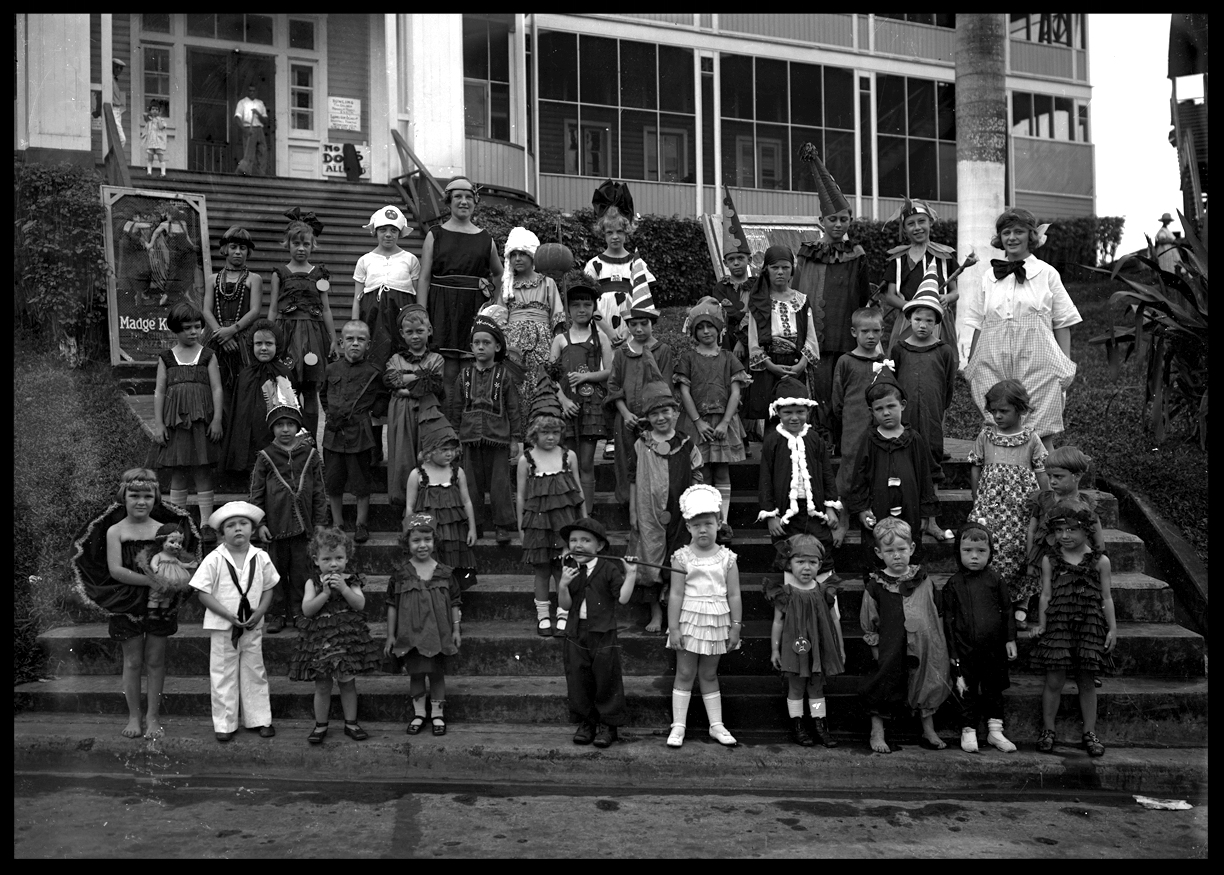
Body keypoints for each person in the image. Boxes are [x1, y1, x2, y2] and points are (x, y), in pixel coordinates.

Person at [72, 468, 199, 739]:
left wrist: (170, 581)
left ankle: (153, 716)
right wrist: (152, 581)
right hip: (126, 599)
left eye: (147, 496)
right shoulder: (115, 531)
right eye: (134, 495)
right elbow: (116, 570)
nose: (141, 502)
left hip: (160, 601)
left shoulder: (163, 531)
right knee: (132, 661)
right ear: (123, 497)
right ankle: (133, 715)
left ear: (156, 498)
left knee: (155, 659)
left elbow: (176, 561)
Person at [962, 207, 1081, 453]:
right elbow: (978, 322)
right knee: (998, 420)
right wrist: (973, 363)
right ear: (1000, 238)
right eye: (1006, 232)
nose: (1012, 237)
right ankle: (1000, 484)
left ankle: (1044, 489)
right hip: (994, 355)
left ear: (1031, 236)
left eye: (1019, 232)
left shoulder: (1046, 273)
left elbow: (1062, 322)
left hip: (1037, 357)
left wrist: (1064, 364)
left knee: (1039, 429)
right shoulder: (988, 277)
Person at [189, 501, 279, 743]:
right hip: (222, 625)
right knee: (223, 672)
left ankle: (259, 718)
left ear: (252, 528)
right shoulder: (214, 559)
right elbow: (202, 592)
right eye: (231, 525)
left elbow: (269, 587)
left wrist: (260, 611)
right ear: (221, 532)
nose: (238, 529)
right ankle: (225, 723)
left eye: (243, 524)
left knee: (254, 670)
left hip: (251, 624)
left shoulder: (261, 557)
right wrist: (227, 614)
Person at [1031, 504, 1117, 757]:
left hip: (1090, 625)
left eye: (1071, 529)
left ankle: (1090, 732)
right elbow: (1045, 594)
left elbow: (1107, 597)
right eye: (1059, 530)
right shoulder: (1050, 559)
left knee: (1087, 681)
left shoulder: (1100, 562)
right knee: (1054, 679)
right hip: (1059, 624)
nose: (1064, 535)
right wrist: (1043, 624)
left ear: (1087, 531)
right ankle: (1048, 730)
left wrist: (1111, 628)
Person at [860, 517, 951, 753]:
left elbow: (934, 611)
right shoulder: (876, 585)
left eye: (901, 549)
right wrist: (876, 648)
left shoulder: (923, 580)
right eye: (889, 551)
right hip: (891, 643)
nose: (897, 555)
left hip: (921, 643)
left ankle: (928, 729)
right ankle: (877, 730)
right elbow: (870, 620)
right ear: (879, 553)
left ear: (911, 549)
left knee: (924, 680)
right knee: (884, 682)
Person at [793, 147, 872, 410]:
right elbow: (796, 291)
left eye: (843, 219)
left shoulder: (857, 254)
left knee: (847, 390)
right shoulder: (807, 253)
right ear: (821, 220)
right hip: (817, 335)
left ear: (850, 220)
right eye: (832, 219)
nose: (838, 225)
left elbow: (863, 297)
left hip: (847, 335)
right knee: (820, 387)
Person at [968, 379, 1050, 628]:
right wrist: (977, 498)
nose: (997, 416)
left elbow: (1041, 473)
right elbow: (976, 468)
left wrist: (1044, 503)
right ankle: (995, 600)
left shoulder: (1031, 439)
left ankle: (1022, 602)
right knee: (995, 550)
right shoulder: (986, 436)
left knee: (1019, 551)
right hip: (990, 508)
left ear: (1020, 409)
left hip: (1020, 510)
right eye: (993, 411)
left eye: (1004, 411)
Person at [666, 485, 743, 748]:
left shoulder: (727, 559)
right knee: (685, 672)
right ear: (687, 526)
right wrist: (673, 628)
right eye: (696, 524)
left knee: (709, 674)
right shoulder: (681, 557)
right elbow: (675, 594)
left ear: (719, 524)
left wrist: (735, 626)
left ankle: (716, 725)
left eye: (708, 523)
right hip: (689, 620)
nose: (703, 530)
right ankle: (678, 725)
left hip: (717, 621)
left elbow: (734, 595)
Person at [249, 377, 327, 634]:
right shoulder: (265, 457)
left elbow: (318, 491)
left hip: (304, 526)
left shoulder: (311, 455)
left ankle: (300, 611)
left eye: (290, 424)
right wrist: (259, 524)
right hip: (275, 525)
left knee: (302, 571)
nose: (285, 429)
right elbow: (257, 493)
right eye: (279, 425)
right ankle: (277, 613)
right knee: (276, 572)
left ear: (297, 426)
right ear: (272, 428)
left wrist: (319, 523)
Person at [844, 364, 943, 564]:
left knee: (907, 548)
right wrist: (862, 508)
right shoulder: (870, 439)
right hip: (878, 507)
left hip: (909, 507)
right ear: (871, 411)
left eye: (891, 406)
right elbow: (860, 475)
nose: (886, 413)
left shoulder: (914, 439)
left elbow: (924, 475)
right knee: (878, 549)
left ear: (903, 405)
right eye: (879, 409)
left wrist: (925, 512)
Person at [290, 526, 380, 744]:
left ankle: (351, 723)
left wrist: (345, 589)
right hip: (321, 641)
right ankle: (321, 725)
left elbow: (360, 604)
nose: (333, 564)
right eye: (327, 559)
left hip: (346, 642)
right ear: (316, 560)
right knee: (322, 685)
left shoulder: (352, 580)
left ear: (347, 558)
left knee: (347, 682)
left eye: (339, 558)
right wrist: (325, 594)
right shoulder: (313, 583)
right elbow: (307, 610)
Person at [585, 180, 655, 460]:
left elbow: (643, 301)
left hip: (630, 331)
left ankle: (627, 433)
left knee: (628, 379)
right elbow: (589, 304)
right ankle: (611, 435)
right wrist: (605, 331)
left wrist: (629, 332)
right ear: (602, 233)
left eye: (619, 231)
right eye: (609, 232)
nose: (615, 237)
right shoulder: (595, 265)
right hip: (604, 332)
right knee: (608, 381)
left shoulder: (636, 264)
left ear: (628, 231)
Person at [557, 517, 639, 748]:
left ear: (600, 546)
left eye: (586, 540)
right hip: (576, 633)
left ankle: (608, 725)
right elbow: (564, 606)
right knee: (578, 678)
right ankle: (586, 722)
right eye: (573, 540)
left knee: (606, 677)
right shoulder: (570, 568)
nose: (578, 545)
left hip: (603, 633)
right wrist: (563, 585)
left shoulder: (608, 568)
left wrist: (630, 574)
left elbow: (622, 598)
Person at [630, 381, 703, 634]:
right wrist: (633, 512)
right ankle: (656, 612)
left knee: (678, 557)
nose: (660, 418)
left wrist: (695, 505)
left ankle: (674, 608)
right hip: (648, 511)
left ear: (676, 412)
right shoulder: (641, 444)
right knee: (650, 558)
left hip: (681, 513)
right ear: (647, 417)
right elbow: (632, 479)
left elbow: (697, 475)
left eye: (665, 412)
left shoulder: (686, 443)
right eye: (654, 413)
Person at [417, 176, 503, 387]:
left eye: (468, 197)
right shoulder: (435, 235)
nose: (463, 201)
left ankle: (469, 417)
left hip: (472, 306)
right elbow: (424, 277)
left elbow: (499, 274)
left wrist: (496, 305)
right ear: (449, 201)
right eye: (458, 196)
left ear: (475, 201)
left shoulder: (485, 238)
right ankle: (448, 417)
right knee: (446, 369)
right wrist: (421, 314)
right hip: (441, 306)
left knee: (470, 367)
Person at [941, 521, 1019, 753]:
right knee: (966, 689)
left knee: (993, 688)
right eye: (967, 551)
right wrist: (953, 651)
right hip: (965, 650)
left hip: (993, 649)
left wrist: (1010, 638)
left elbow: (1007, 610)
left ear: (991, 553)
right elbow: (948, 621)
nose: (974, 557)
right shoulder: (953, 584)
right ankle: (968, 730)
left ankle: (995, 730)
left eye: (981, 551)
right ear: (958, 552)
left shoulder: (996, 580)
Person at [445, 313, 522, 547]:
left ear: (497, 346)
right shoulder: (464, 375)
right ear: (471, 346)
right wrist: (455, 436)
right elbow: (456, 407)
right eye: (476, 343)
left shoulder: (504, 375)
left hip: (497, 438)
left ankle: (501, 526)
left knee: (500, 485)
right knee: (471, 484)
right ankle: (474, 525)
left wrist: (515, 439)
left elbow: (513, 408)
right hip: (469, 438)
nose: (481, 347)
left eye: (486, 343)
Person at [517, 375, 585, 637]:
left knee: (563, 569)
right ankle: (543, 615)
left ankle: (563, 614)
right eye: (545, 432)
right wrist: (521, 527)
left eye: (555, 432)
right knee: (542, 570)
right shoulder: (527, 460)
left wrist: (584, 522)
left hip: (565, 525)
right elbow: (522, 496)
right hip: (537, 525)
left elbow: (578, 491)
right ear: (535, 432)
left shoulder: (568, 456)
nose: (550, 437)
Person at [386, 513, 464, 737]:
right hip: (412, 634)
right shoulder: (400, 575)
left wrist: (456, 629)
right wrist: (391, 635)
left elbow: (455, 603)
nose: (423, 545)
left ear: (434, 541)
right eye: (416, 540)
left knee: (437, 674)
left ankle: (437, 714)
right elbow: (392, 604)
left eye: (427, 540)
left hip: (438, 634)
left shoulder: (445, 573)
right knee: (417, 674)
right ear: (407, 543)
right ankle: (419, 713)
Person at [676, 297, 749, 532]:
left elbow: (735, 393)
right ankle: (705, 522)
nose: (706, 331)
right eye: (700, 327)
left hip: (723, 423)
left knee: (722, 470)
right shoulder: (688, 358)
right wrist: (697, 423)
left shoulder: (728, 358)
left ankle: (723, 521)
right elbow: (684, 392)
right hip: (697, 423)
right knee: (702, 470)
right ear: (693, 331)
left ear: (719, 329)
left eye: (710, 326)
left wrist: (726, 423)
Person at [765, 534, 844, 748]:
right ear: (789, 564)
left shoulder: (824, 590)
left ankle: (820, 725)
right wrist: (775, 650)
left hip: (818, 648)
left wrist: (840, 648)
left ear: (820, 564)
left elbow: (834, 620)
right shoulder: (785, 593)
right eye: (800, 562)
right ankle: (798, 724)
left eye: (812, 562)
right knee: (797, 687)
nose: (806, 568)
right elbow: (778, 623)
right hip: (794, 648)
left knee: (816, 687)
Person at [152, 301, 223, 538]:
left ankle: (205, 523)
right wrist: (160, 424)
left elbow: (216, 389)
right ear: (175, 329)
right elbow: (160, 391)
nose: (193, 332)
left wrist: (217, 420)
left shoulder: (208, 355)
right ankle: (179, 520)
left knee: (203, 470)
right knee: (178, 471)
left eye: (197, 327)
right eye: (187, 328)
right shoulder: (167, 357)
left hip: (202, 422)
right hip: (176, 423)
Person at [268, 209, 338, 440]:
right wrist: (269, 338)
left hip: (313, 336)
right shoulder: (279, 273)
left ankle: (310, 442)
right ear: (287, 244)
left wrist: (334, 338)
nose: (301, 248)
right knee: (288, 387)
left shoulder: (320, 274)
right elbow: (273, 308)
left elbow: (326, 308)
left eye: (306, 244)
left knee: (310, 389)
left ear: (312, 245)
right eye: (296, 243)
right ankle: (291, 439)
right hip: (286, 334)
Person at [548, 270, 613, 514]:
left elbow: (610, 371)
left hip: (591, 407)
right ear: (568, 310)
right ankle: (569, 509)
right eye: (576, 305)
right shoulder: (560, 339)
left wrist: (587, 376)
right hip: (567, 407)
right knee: (567, 461)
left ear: (594, 307)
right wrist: (563, 400)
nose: (582, 310)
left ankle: (587, 512)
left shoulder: (600, 338)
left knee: (586, 463)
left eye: (587, 304)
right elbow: (551, 376)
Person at [757, 376, 842, 557]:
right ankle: (792, 585)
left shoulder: (815, 439)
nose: (794, 418)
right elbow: (765, 479)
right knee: (787, 551)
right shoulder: (772, 442)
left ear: (808, 411)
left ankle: (822, 584)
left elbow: (827, 473)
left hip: (815, 510)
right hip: (785, 510)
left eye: (800, 412)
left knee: (821, 548)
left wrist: (830, 506)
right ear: (778, 412)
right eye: (788, 412)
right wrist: (771, 515)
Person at [321, 320, 389, 544]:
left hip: (360, 434)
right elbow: (323, 394)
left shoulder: (373, 372)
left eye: (361, 340)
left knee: (361, 482)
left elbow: (381, 396)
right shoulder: (331, 369)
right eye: (350, 339)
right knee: (333, 481)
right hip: (333, 434)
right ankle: (338, 524)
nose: (355, 344)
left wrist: (371, 415)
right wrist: (331, 414)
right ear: (341, 343)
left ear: (368, 345)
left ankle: (361, 523)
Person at [1025, 446, 1105, 635]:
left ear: (1076, 476)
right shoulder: (1043, 500)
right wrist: (1031, 560)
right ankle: (1049, 624)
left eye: (1058, 477)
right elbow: (1032, 530)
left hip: (1075, 557)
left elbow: (1096, 532)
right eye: (1049, 476)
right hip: (1048, 556)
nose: (1052, 481)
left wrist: (1099, 555)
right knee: (1049, 589)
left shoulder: (1086, 503)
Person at [405, 398, 478, 592]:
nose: (450, 454)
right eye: (444, 450)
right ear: (429, 451)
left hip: (455, 534)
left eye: (452, 450)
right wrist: (411, 533)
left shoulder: (456, 473)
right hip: (429, 536)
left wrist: (472, 528)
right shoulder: (418, 475)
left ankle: (454, 604)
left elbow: (467, 501)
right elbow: (410, 507)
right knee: (431, 568)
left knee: (454, 568)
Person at [605, 294, 672, 505]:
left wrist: (652, 416)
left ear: (652, 324)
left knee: (653, 460)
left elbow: (665, 386)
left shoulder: (662, 351)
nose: (639, 329)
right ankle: (629, 508)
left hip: (654, 419)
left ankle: (652, 505)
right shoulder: (622, 353)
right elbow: (614, 386)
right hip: (626, 418)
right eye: (634, 325)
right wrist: (625, 414)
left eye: (644, 323)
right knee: (626, 460)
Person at [744, 245, 821, 424]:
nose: (780, 272)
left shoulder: (801, 300)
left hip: (796, 364)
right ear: (766, 270)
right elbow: (753, 340)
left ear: (791, 270)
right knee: (772, 416)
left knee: (795, 415)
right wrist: (771, 366)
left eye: (785, 267)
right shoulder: (759, 301)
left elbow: (811, 337)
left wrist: (802, 364)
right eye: (775, 267)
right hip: (769, 365)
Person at [892, 278, 958, 484]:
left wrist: (940, 405)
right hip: (906, 409)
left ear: (937, 323)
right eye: (918, 319)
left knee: (931, 444)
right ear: (909, 319)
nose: (923, 325)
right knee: (906, 445)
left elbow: (948, 384)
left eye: (929, 321)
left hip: (933, 408)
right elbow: (893, 381)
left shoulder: (944, 351)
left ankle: (931, 502)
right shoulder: (899, 349)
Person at [880, 198, 961, 358]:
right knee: (905, 360)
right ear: (904, 229)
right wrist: (911, 307)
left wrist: (947, 297)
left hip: (938, 321)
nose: (917, 228)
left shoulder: (944, 256)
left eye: (921, 221)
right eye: (911, 224)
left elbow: (955, 292)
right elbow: (890, 296)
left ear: (930, 222)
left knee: (937, 360)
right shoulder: (898, 259)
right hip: (908, 320)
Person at [383, 305, 445, 508]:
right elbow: (391, 379)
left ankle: (427, 501)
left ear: (429, 330)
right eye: (409, 332)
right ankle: (403, 504)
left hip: (427, 410)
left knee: (426, 454)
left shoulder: (436, 359)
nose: (415, 336)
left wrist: (406, 383)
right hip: (401, 413)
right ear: (402, 334)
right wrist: (420, 379)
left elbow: (433, 383)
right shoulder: (395, 359)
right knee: (402, 456)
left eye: (420, 331)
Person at [502, 226, 566, 420]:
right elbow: (499, 316)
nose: (518, 259)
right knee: (516, 386)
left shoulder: (547, 283)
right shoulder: (507, 286)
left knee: (541, 383)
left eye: (522, 253)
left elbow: (558, 317)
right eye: (513, 254)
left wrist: (559, 347)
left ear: (532, 255)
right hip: (514, 346)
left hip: (542, 344)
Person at [220, 319, 296, 474]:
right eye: (258, 344)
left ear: (277, 346)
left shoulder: (283, 373)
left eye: (268, 344)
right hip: (249, 434)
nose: (263, 348)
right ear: (251, 345)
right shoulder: (245, 375)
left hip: (272, 434)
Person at [352, 205, 420, 371]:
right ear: (375, 231)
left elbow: (417, 295)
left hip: (400, 313)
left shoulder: (410, 259)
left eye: (393, 230)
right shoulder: (365, 260)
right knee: (374, 357)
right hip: (372, 314)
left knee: (401, 354)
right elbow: (357, 297)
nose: (388, 234)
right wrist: (355, 325)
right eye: (383, 230)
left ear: (399, 232)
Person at [830, 307, 885, 498]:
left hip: (879, 426)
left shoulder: (885, 362)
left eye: (876, 331)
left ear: (882, 332)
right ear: (854, 332)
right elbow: (837, 399)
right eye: (865, 331)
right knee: (850, 469)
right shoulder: (846, 361)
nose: (871, 336)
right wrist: (849, 417)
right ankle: (844, 517)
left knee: (877, 468)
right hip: (853, 425)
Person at [204, 226, 264, 397]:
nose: (238, 252)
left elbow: (255, 311)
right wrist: (220, 334)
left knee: (242, 386)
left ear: (248, 251)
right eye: (233, 247)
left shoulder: (254, 279)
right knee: (216, 384)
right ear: (224, 249)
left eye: (242, 248)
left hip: (242, 339)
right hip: (216, 337)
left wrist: (231, 331)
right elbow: (206, 311)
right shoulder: (212, 279)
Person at [142, 522, 197, 613]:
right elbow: (153, 563)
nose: (177, 545)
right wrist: (155, 567)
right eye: (172, 542)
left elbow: (180, 564)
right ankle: (152, 612)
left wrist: (189, 565)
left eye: (179, 543)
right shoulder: (159, 555)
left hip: (173, 581)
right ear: (162, 541)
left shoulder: (174, 558)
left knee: (167, 597)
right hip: (162, 578)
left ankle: (164, 612)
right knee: (156, 596)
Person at [234, 84, 269, 176]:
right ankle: (245, 173)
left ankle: (261, 174)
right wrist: (244, 130)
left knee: (262, 151)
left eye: (254, 91)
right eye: (250, 90)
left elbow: (265, 120)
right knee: (249, 153)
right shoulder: (242, 103)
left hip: (259, 130)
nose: (252, 92)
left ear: (256, 92)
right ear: (247, 91)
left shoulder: (260, 103)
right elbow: (237, 118)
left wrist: (258, 113)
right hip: (249, 129)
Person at [141, 100, 168, 176]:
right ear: (150, 110)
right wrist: (150, 115)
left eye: (156, 109)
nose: (155, 111)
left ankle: (163, 172)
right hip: (151, 142)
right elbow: (144, 115)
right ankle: (149, 172)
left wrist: (158, 119)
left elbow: (161, 127)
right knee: (150, 158)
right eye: (153, 109)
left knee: (160, 157)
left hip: (158, 142)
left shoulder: (161, 120)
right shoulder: (149, 120)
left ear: (159, 111)